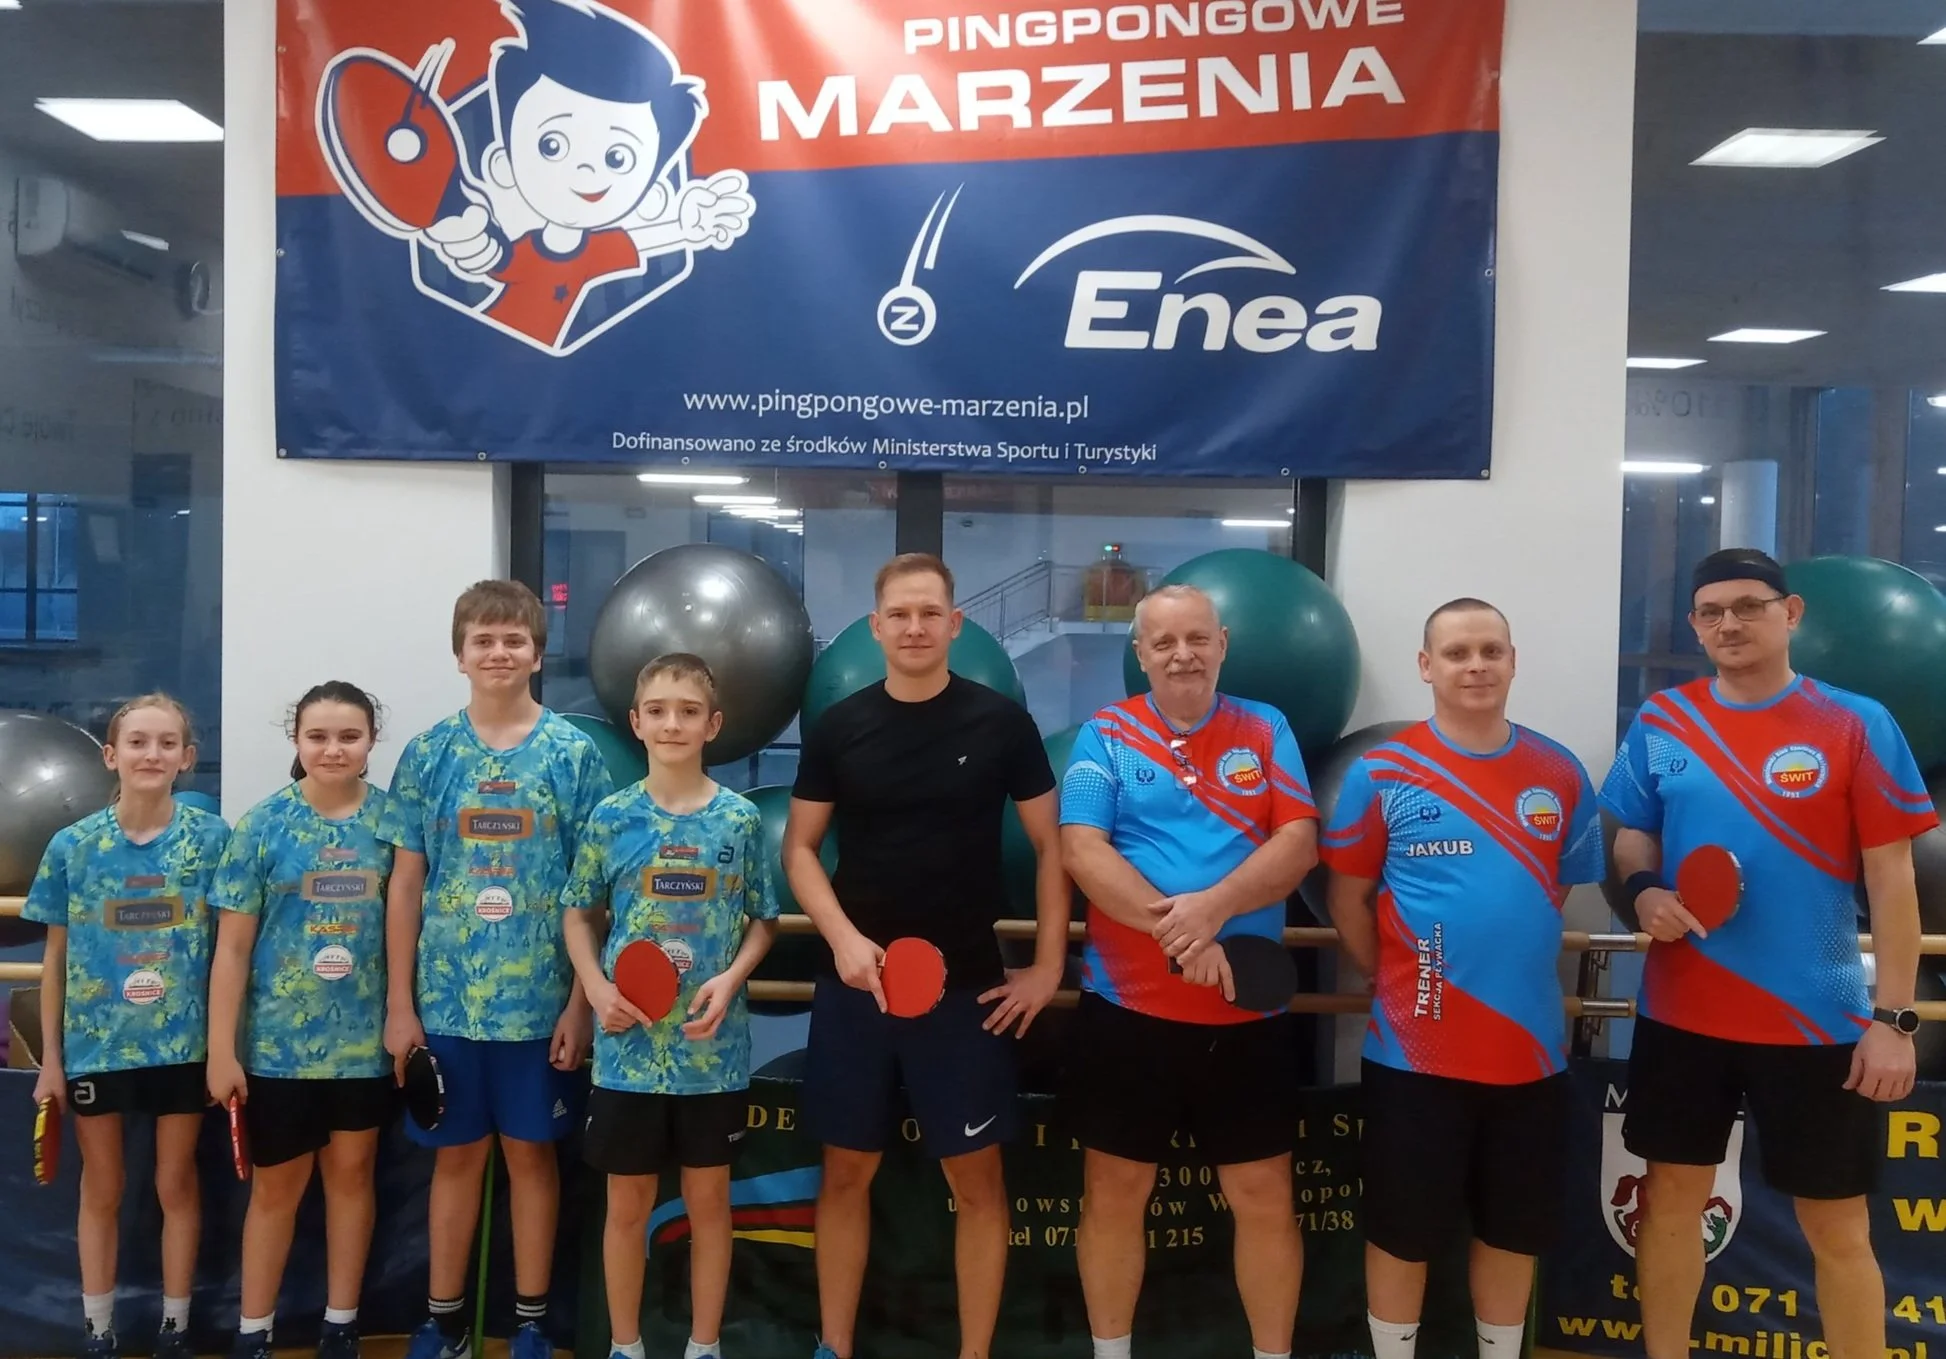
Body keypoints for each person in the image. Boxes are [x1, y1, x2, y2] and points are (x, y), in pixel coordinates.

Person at [1602, 548, 1933, 1359]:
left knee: (1838, 1226)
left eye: (1749, 605)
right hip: (1682, 1015)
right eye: (1712, 611)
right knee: (1669, 1203)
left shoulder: (1855, 722)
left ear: (1790, 614)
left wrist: (1895, 1019)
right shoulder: (1663, 720)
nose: (1730, 623)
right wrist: (1642, 889)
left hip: (1818, 1020)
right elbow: (1634, 832)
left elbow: (1892, 881)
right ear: (1695, 626)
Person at [782, 553, 1068, 1359]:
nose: (914, 627)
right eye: (900, 615)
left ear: (955, 623)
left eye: (929, 613)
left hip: (967, 990)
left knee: (978, 1185)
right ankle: (834, 1346)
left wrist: (1048, 966)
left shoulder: (1002, 723)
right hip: (857, 989)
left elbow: (1053, 848)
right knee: (844, 1174)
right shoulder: (839, 726)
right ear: (876, 627)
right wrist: (843, 939)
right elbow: (800, 849)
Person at [1322, 599, 1602, 1359]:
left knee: (1512, 1231)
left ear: (1513, 660)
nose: (1475, 665)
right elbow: (1347, 897)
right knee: (1402, 1232)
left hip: (1531, 1057)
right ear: (1427, 666)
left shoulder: (1558, 771)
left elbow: (1556, 889)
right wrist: (1396, 977)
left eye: (1490, 650)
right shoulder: (1382, 773)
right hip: (1413, 1056)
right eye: (1456, 653)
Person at [1059, 583, 1317, 1359]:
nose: (1183, 654)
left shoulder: (1267, 728)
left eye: (1197, 638)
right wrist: (1183, 936)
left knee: (1264, 1196)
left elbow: (1298, 842)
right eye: (1164, 641)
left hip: (1247, 1018)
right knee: (1114, 1194)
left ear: (1222, 644)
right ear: (1140, 653)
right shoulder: (1103, 735)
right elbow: (1082, 849)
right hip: (1125, 1012)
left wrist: (1212, 909)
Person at [380, 580, 614, 1359]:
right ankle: (444, 1323)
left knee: (532, 1159)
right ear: (460, 655)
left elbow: (592, 892)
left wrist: (580, 1003)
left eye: (514, 639)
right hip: (446, 1005)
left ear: (537, 654)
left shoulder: (572, 754)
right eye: (483, 639)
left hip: (542, 1006)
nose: (499, 652)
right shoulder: (429, 753)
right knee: (456, 1160)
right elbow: (405, 884)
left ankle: (533, 1325)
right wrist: (400, 1004)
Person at [562, 654, 779, 1359]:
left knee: (710, 1206)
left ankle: (703, 1345)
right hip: (627, 1054)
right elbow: (577, 913)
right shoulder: (611, 817)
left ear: (713, 724)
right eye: (657, 710)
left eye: (688, 711)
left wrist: (733, 978)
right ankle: (625, 1345)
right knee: (626, 1208)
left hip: (711, 1056)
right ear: (636, 722)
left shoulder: (740, 820)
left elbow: (764, 920)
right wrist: (597, 989)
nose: (672, 723)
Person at [23, 694, 231, 1359]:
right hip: (97, 1048)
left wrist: (223, 1049)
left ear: (187, 757)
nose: (152, 754)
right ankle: (98, 1329)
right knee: (104, 1186)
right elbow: (55, 961)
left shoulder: (213, 841)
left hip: (183, 1046)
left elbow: (232, 951)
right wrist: (53, 1060)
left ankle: (176, 1325)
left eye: (167, 743)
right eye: (138, 742)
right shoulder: (73, 846)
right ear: (111, 755)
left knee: (175, 1182)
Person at [208, 682, 395, 1359]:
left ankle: (341, 1326)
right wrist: (221, 1050)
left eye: (348, 736)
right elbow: (232, 949)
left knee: (352, 1179)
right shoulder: (263, 825)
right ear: (297, 740)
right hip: (277, 1049)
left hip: (364, 1048)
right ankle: (253, 1331)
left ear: (371, 741)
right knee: (276, 1190)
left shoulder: (394, 825)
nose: (333, 748)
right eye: (318, 736)